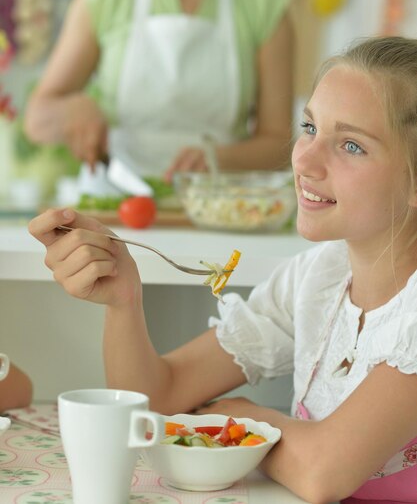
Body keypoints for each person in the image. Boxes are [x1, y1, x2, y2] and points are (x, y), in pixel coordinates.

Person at [28, 35, 417, 504]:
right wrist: (123, 301)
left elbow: (321, 474)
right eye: (310, 128)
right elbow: (157, 400)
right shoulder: (318, 278)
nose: (305, 161)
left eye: (351, 145)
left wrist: (251, 421)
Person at [24, 0, 293, 183]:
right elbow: (36, 119)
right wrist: (73, 109)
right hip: (121, 202)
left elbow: (278, 148)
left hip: (225, 204)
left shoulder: (264, 2)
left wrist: (217, 158)